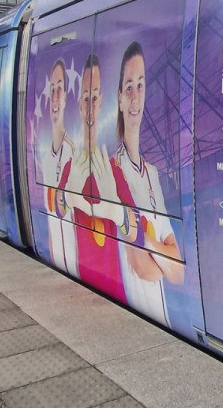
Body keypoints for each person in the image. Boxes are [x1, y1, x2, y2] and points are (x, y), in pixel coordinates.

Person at [113, 42, 184, 327]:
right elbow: (141, 267)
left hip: (161, 316)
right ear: (119, 98)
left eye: (140, 85)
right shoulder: (113, 170)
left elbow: (179, 273)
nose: (135, 97)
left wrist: (148, 243)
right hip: (135, 317)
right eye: (128, 87)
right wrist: (163, 253)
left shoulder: (152, 174)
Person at [62, 54, 128, 304]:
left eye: (95, 98)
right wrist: (69, 194)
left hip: (115, 287)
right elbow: (58, 206)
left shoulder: (114, 170)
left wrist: (117, 211)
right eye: (86, 99)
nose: (90, 107)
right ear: (80, 105)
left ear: (101, 104)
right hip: (81, 284)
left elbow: (135, 228)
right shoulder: (70, 167)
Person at [42, 59, 78, 277]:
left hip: (70, 256)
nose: (55, 97)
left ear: (65, 98)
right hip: (55, 256)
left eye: (59, 90)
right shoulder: (46, 158)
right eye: (52, 90)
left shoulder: (72, 153)